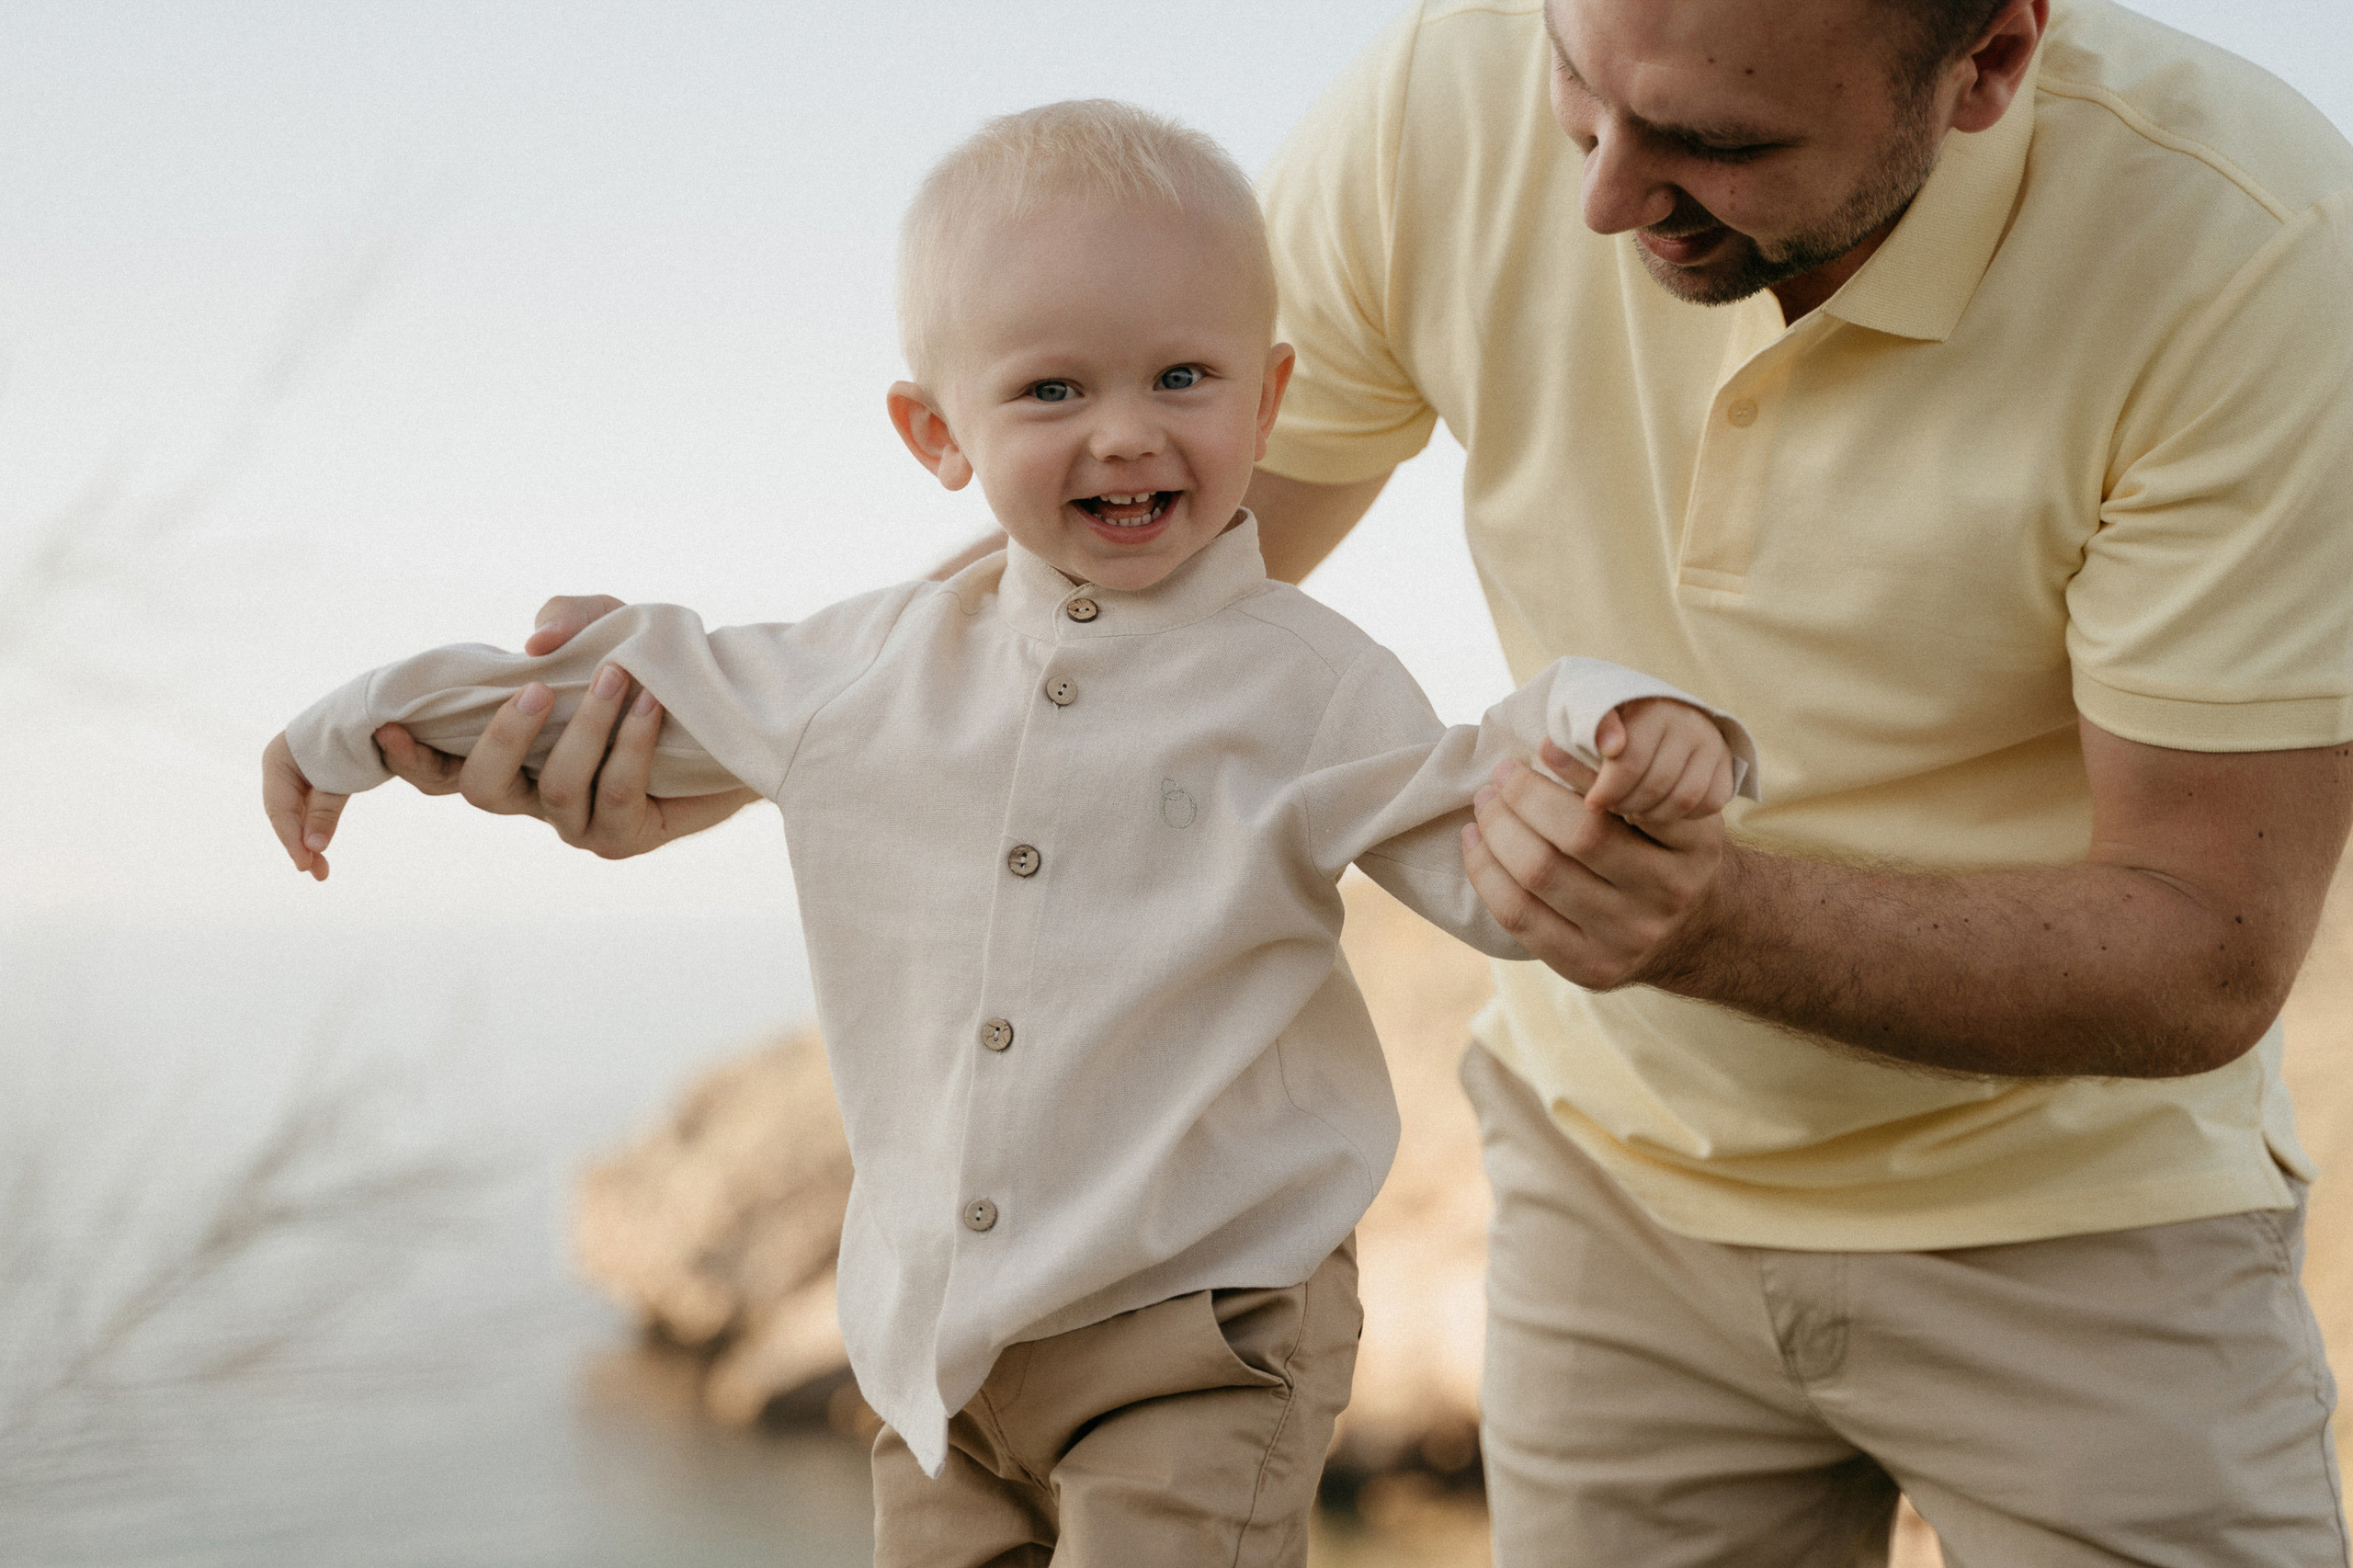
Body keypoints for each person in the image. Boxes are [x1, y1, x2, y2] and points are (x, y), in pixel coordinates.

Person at [383, 3, 2353, 1562]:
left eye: (1716, 147)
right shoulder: (1453, 83)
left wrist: (1705, 913)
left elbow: (2196, 949)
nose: (1594, 201)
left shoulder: (2242, 254)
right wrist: (724, 747)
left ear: (1991, 57)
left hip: (2074, 1236)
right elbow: (1117, 575)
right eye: (1583, 101)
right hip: (1608, 1201)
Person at [261, 100, 1757, 1567]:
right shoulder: (868, 666)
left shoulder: (1310, 682)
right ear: (936, 432)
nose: (1126, 433)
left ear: (1268, 397)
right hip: (942, 1354)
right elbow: (606, 685)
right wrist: (350, 728)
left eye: (1183, 375)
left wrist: (1611, 727)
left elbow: (1479, 847)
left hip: (1206, 1325)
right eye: (1052, 392)